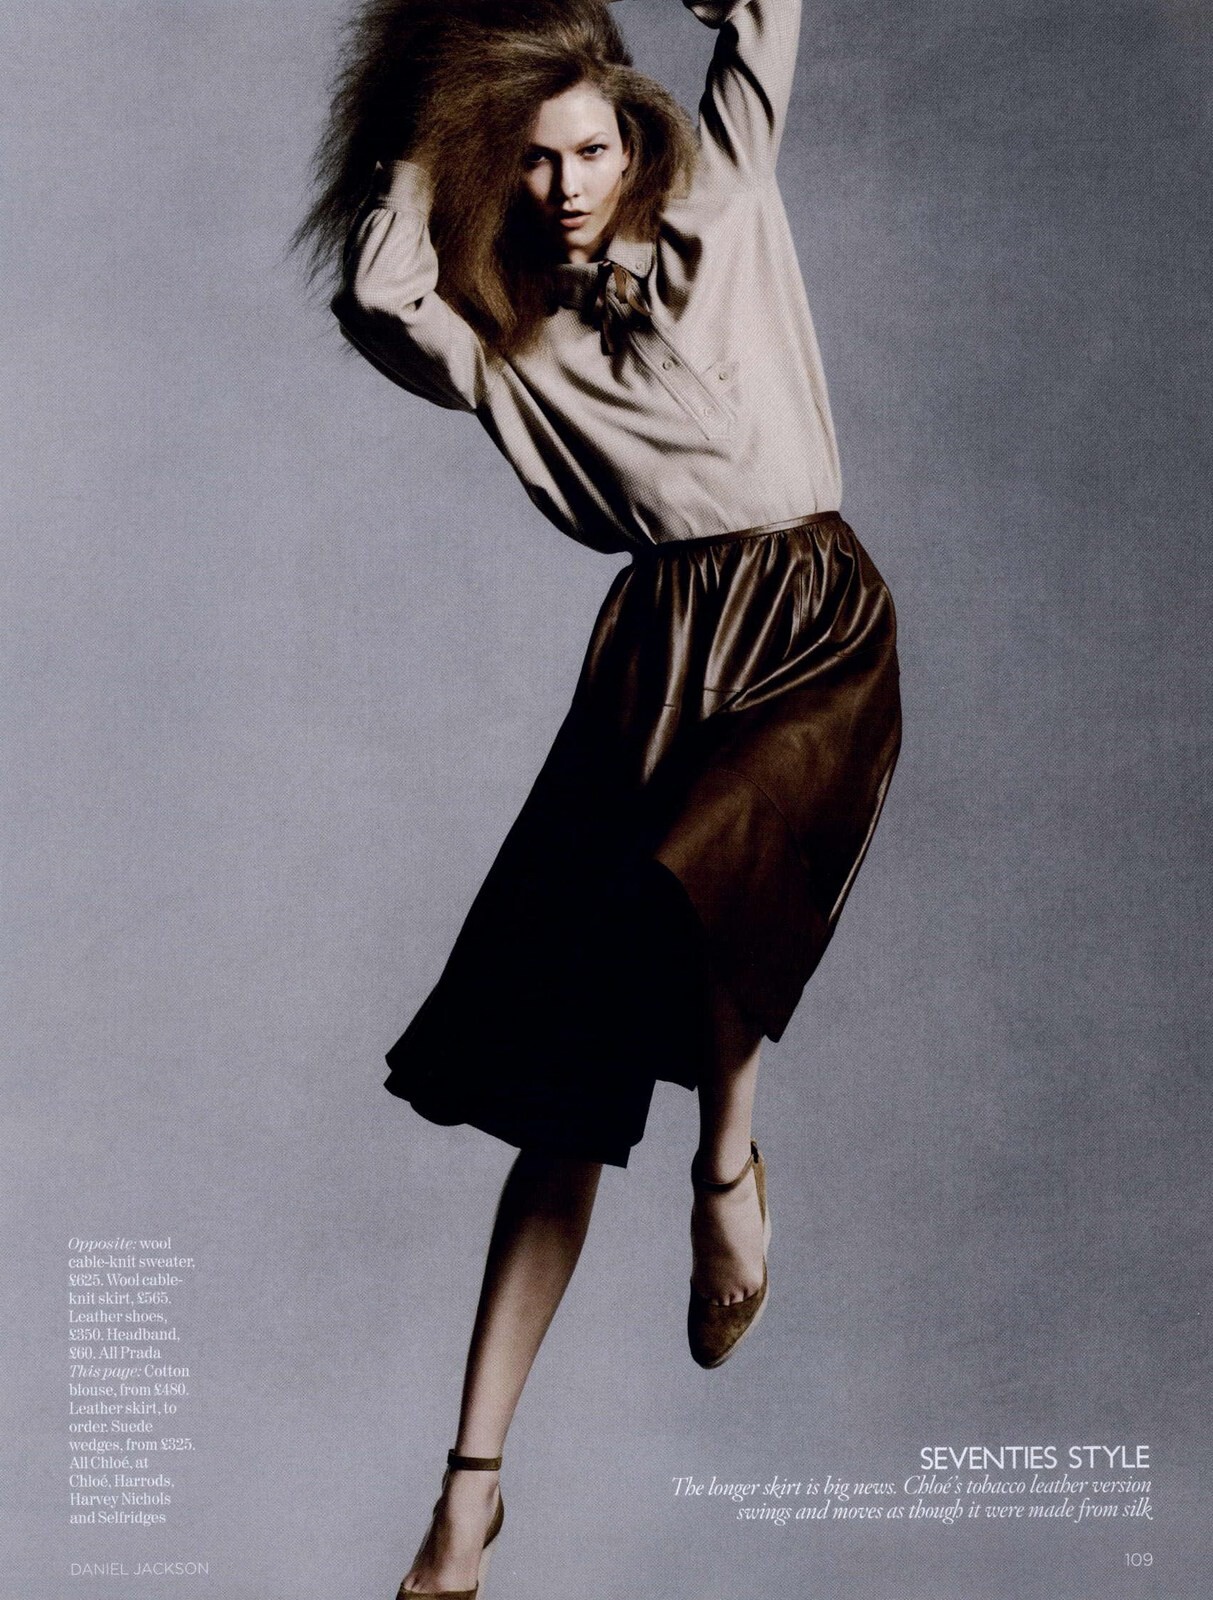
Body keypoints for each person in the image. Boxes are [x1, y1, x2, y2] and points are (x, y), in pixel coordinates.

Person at [297, 0, 901, 1593]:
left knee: (698, 874)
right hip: (652, 660)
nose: (565, 184)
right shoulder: (502, 340)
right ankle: (470, 1491)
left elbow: (762, 22)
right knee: (559, 1085)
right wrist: (427, 125)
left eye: (588, 147)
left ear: (634, 136)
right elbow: (376, 290)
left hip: (810, 618)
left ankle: (724, 1169)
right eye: (531, 158)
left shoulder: (723, 202)